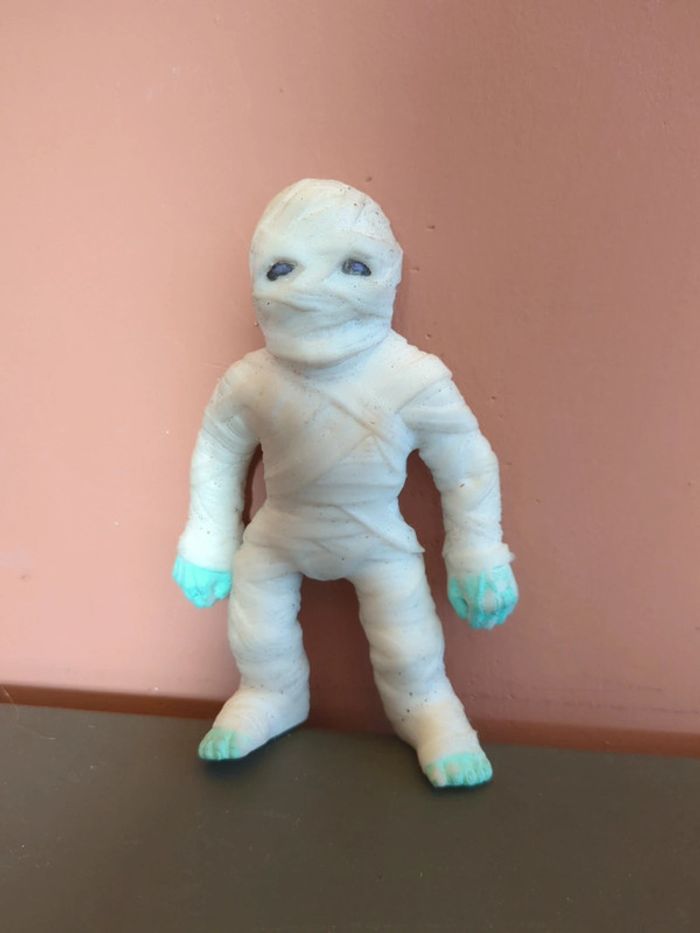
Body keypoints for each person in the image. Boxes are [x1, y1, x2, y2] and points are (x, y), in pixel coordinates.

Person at [173, 179, 518, 788]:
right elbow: (217, 455)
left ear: (387, 275)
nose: (313, 288)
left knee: (408, 642)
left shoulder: (411, 376)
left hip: (377, 537)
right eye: (283, 268)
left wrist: (478, 552)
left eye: (352, 267)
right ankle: (269, 694)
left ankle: (428, 709)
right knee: (258, 626)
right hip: (279, 533)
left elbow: (467, 465)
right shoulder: (249, 381)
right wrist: (207, 541)